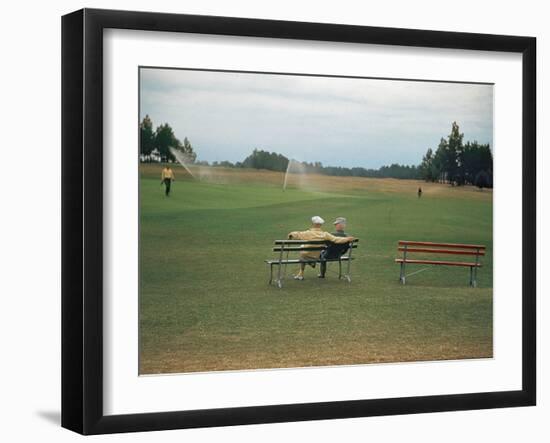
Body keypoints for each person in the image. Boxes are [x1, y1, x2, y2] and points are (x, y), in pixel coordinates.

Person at [288, 216, 355, 280]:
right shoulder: (325, 234)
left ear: (313, 224)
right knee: (312, 249)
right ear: (321, 225)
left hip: (307, 255)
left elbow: (296, 234)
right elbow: (336, 239)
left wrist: (290, 234)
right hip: (317, 255)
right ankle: (307, 267)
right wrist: (348, 239)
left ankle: (301, 273)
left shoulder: (307, 233)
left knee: (302, 247)